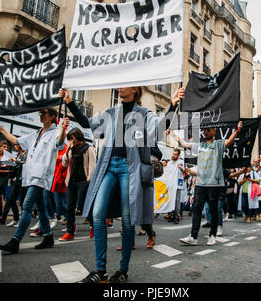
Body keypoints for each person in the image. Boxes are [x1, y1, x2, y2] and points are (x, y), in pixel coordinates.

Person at [60, 86, 185, 283]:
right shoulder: (111, 112)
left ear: (135, 89)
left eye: (124, 84)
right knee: (98, 214)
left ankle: (122, 270)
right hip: (109, 166)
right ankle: (100, 270)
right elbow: (87, 123)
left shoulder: (144, 113)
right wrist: (69, 101)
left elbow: (159, 130)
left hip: (130, 168)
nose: (119, 87)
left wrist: (172, 105)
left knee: (128, 219)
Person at [0, 108, 68, 253]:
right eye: (40, 113)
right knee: (41, 207)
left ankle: (15, 241)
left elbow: (60, 143)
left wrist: (63, 129)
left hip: (41, 175)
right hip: (30, 174)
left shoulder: (56, 133)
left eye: (44, 113)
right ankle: (48, 236)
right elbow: (17, 141)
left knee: (27, 205)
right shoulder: (36, 133)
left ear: (53, 116)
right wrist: (1, 129)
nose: (40, 115)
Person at [171, 121, 243, 246]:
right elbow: (184, 143)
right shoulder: (200, 145)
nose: (206, 132)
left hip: (214, 184)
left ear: (214, 131)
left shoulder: (218, 144)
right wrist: (172, 134)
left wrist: (237, 130)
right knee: (197, 209)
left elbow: (229, 141)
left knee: (213, 210)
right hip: (200, 183)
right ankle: (193, 236)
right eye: (204, 130)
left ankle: (212, 235)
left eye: (209, 130)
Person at [59, 128, 96, 241]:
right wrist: (66, 151)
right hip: (71, 182)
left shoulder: (88, 148)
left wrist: (89, 180)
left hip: (83, 181)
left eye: (72, 138)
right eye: (69, 139)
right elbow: (64, 164)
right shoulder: (71, 149)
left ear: (78, 137)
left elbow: (92, 164)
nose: (71, 140)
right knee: (70, 207)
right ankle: (70, 232)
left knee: (82, 206)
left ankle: (94, 226)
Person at [0, 144, 27, 227]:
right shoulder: (18, 154)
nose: (15, 146)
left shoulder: (26, 154)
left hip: (23, 180)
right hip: (15, 180)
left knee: (22, 201)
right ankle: (15, 219)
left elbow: (25, 163)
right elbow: (16, 165)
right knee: (11, 199)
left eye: (16, 145)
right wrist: (10, 164)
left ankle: (22, 221)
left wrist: (15, 161)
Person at [166, 148, 185, 224]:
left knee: (177, 200)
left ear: (178, 155)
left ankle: (176, 216)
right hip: (171, 184)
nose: (174, 155)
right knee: (170, 200)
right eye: (173, 154)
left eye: (175, 154)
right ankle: (170, 215)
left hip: (178, 184)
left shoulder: (181, 162)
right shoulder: (170, 162)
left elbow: (185, 171)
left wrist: (180, 168)